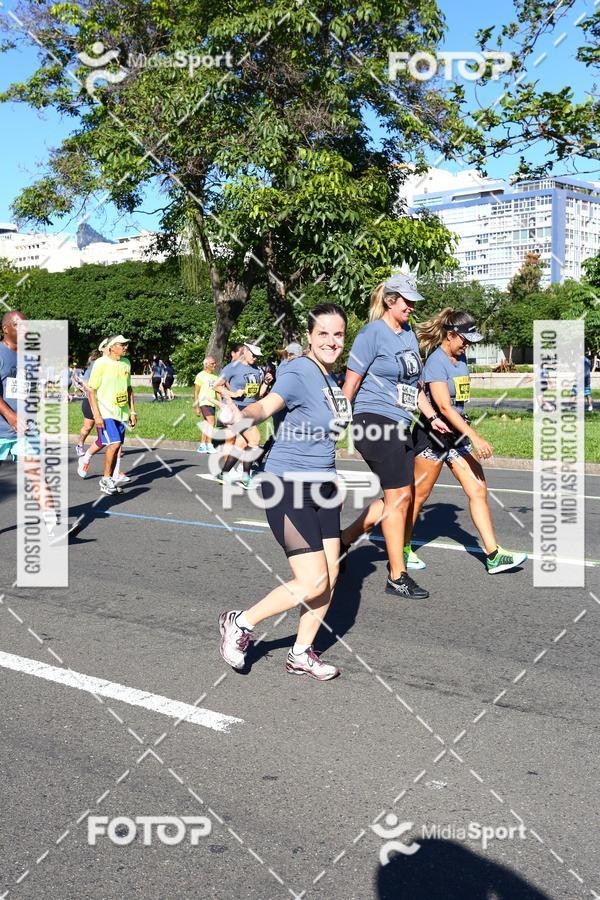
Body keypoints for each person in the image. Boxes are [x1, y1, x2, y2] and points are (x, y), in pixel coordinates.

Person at [219, 302, 351, 680]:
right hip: (287, 487)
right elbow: (265, 406)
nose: (331, 340)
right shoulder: (298, 370)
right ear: (310, 336)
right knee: (311, 580)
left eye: (338, 334)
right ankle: (240, 623)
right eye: (323, 333)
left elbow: (321, 437)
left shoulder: (332, 379)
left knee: (331, 575)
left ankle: (300, 653)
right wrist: (240, 416)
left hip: (323, 488)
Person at [339, 274, 452, 599]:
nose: (412, 305)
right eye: (406, 300)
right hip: (372, 420)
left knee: (397, 497)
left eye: (414, 300)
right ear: (390, 300)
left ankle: (343, 541)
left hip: (402, 423)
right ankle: (396, 575)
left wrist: (433, 417)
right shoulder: (371, 334)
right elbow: (352, 383)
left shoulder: (408, 336)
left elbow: (413, 389)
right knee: (401, 496)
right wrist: (333, 424)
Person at [405, 308, 528, 575]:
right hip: (434, 435)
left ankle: (493, 554)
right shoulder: (436, 361)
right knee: (419, 496)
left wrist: (466, 432)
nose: (468, 345)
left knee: (478, 489)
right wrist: (475, 436)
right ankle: (401, 548)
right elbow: (445, 408)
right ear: (450, 335)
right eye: (465, 339)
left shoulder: (461, 360)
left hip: (457, 435)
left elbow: (459, 406)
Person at [0, 310, 57, 532]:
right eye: (19, 326)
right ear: (6, 329)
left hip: (24, 428)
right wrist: (10, 415)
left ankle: (53, 525)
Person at [85, 335, 137, 495]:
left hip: (122, 412)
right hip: (105, 412)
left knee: (118, 446)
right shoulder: (100, 363)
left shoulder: (126, 363)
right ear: (112, 347)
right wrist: (97, 415)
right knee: (113, 444)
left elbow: (129, 389)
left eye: (126, 344)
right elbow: (91, 390)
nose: (125, 347)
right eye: (122, 345)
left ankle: (110, 480)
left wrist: (132, 411)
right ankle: (106, 478)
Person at [213, 342, 269, 489]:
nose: (256, 358)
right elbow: (216, 386)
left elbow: (258, 394)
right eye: (254, 355)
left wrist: (266, 383)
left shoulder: (257, 370)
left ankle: (224, 473)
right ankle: (246, 477)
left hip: (250, 411)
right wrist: (233, 393)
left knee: (242, 443)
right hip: (235, 410)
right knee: (255, 439)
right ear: (245, 351)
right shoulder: (232, 367)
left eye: (258, 356)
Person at [75, 348, 103, 457]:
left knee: (104, 428)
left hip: (103, 401)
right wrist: (90, 390)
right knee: (87, 427)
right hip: (90, 400)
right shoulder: (94, 366)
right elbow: (84, 381)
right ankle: (80, 445)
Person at [194, 356, 220, 453]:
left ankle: (202, 445)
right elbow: (196, 392)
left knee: (206, 424)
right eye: (212, 363)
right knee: (211, 423)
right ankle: (209, 445)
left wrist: (220, 404)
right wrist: (196, 407)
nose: (214, 365)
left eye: (214, 363)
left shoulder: (215, 377)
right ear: (206, 365)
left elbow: (217, 392)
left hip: (212, 404)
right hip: (204, 402)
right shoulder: (200, 375)